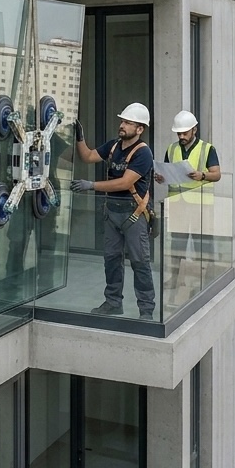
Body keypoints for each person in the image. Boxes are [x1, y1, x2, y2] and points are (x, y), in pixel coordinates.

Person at [70, 103, 156, 321]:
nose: (122, 125)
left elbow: (124, 183)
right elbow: (88, 156)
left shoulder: (143, 153)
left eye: (128, 122)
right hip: (112, 212)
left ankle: (146, 309)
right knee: (111, 260)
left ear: (140, 129)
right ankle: (113, 303)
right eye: (122, 121)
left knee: (140, 262)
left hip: (133, 214)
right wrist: (80, 137)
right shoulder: (114, 146)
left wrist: (91, 185)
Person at [154, 110, 221, 287]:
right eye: (179, 133)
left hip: (200, 205)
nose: (181, 136)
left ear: (194, 130)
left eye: (185, 133)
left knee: (203, 244)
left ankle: (206, 280)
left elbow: (217, 174)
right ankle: (176, 279)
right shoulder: (172, 149)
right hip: (177, 204)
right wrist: (161, 177)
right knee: (177, 244)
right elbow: (167, 171)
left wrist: (202, 175)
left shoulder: (207, 149)